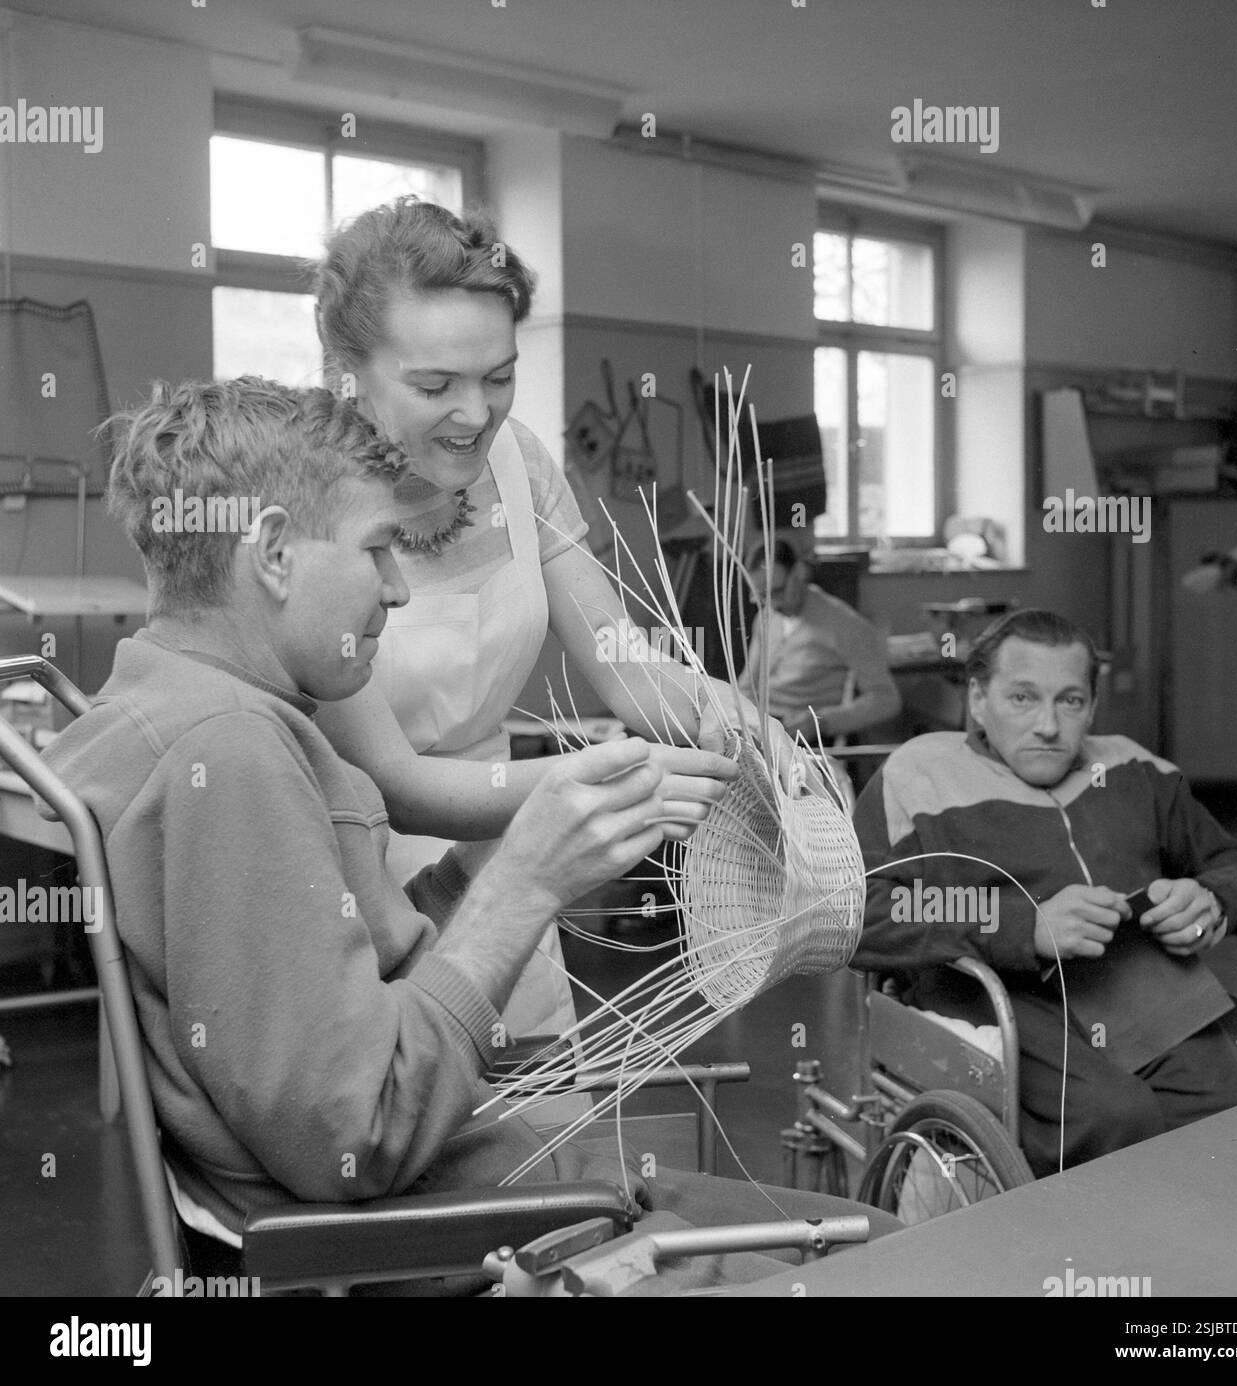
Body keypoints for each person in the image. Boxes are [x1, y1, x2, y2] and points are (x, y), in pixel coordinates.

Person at [45, 377, 900, 1292]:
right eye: (377, 549)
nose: (398, 588)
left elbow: (327, 988)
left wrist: (473, 874)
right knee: (889, 1249)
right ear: (274, 554)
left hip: (476, 1197)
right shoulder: (231, 753)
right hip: (468, 1242)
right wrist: (520, 887)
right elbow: (351, 1131)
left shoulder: (171, 708)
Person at [311, 199, 787, 1040]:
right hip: (360, 879)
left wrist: (734, 719)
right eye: (434, 385)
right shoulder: (305, 493)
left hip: (508, 858)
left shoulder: (520, 462)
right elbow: (398, 786)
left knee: (536, 1143)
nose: (475, 413)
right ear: (344, 368)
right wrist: (608, 787)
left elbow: (626, 665)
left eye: (499, 376)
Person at [852, 608, 1237, 1176]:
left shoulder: (1135, 768)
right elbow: (860, 914)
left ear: (1092, 707)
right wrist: (1020, 924)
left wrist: (1215, 899)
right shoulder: (917, 775)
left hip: (1148, 996)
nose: (1048, 726)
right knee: (1113, 1121)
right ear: (978, 699)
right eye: (1022, 698)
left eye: (1070, 701)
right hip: (1001, 1003)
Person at [738, 538, 901, 747]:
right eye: (761, 595)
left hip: (805, 738)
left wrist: (820, 721)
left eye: (776, 592)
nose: (770, 603)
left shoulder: (845, 624)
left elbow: (886, 700)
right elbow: (747, 685)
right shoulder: (766, 617)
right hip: (763, 729)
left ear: (799, 572)